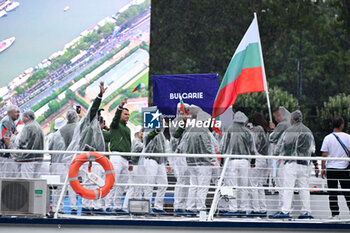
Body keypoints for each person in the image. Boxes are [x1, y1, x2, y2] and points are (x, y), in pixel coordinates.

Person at [61, 81, 107, 215]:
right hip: (86, 157)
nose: (99, 115)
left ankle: (93, 206)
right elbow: (92, 111)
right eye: (97, 112)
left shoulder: (95, 125)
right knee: (89, 181)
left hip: (93, 158)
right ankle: (87, 207)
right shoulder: (87, 122)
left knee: (95, 181)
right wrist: (100, 96)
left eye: (100, 113)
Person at [270, 110, 315, 219]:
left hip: (291, 164)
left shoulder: (289, 131)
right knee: (304, 188)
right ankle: (306, 212)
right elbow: (312, 149)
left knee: (288, 188)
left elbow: (279, 147)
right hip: (304, 164)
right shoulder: (308, 131)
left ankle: (286, 211)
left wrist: (277, 154)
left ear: (293, 119)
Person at [177, 105, 218, 216]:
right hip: (203, 163)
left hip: (190, 163)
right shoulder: (203, 130)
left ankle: (190, 207)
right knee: (202, 187)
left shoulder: (189, 130)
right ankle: (201, 209)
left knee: (193, 186)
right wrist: (212, 160)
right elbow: (207, 146)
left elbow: (181, 147)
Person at [219, 111, 256, 217]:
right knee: (243, 186)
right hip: (245, 161)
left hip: (231, 161)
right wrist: (253, 162)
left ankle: (232, 208)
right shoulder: (248, 131)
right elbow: (252, 149)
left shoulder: (229, 130)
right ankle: (243, 208)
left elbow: (223, 146)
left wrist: (222, 161)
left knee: (231, 186)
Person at [108, 97, 136, 214]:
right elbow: (115, 118)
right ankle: (108, 205)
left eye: (128, 115)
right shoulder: (115, 125)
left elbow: (129, 144)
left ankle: (117, 206)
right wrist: (120, 106)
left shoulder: (128, 129)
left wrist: (130, 160)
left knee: (122, 185)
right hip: (116, 156)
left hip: (125, 159)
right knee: (113, 182)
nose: (127, 116)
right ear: (120, 115)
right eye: (125, 114)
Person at [321, 117, 350, 219]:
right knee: (347, 192)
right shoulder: (348, 137)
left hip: (331, 168)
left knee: (332, 193)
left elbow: (324, 155)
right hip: (344, 168)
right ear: (341, 125)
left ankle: (335, 214)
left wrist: (322, 168)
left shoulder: (327, 138)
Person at [143, 117, 171, 215]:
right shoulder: (150, 130)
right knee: (149, 185)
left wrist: (167, 163)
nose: (162, 122)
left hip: (160, 162)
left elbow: (165, 149)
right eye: (160, 120)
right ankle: (147, 207)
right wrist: (156, 131)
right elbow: (147, 137)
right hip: (151, 160)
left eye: (163, 121)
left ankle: (158, 207)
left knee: (164, 184)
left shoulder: (162, 135)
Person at [6, 110, 44, 178]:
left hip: (28, 158)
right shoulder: (37, 125)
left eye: (23, 117)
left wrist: (12, 137)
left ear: (27, 117)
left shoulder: (28, 127)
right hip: (38, 157)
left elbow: (21, 141)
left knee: (27, 180)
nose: (22, 119)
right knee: (35, 180)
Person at [169, 102, 190, 216]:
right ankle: (178, 206)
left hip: (189, 155)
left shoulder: (191, 122)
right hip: (180, 155)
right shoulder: (175, 123)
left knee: (188, 181)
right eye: (185, 109)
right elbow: (174, 141)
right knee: (181, 180)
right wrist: (183, 125)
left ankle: (185, 206)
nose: (187, 112)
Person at [269, 107, 291, 208]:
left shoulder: (282, 124)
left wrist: (273, 129)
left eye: (276, 116)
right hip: (288, 157)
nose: (276, 119)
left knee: (280, 183)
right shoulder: (290, 124)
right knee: (285, 183)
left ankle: (283, 208)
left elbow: (272, 138)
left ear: (279, 115)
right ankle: (285, 207)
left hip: (280, 158)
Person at [248, 112, 270, 217]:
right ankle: (262, 208)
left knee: (253, 184)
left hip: (257, 158)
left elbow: (253, 144)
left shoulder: (257, 129)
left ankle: (255, 208)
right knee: (260, 185)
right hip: (264, 159)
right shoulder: (265, 130)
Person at [47, 117, 69, 213]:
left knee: (54, 187)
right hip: (63, 165)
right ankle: (59, 208)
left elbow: (49, 149)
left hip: (53, 164)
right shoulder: (65, 135)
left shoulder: (52, 136)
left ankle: (53, 206)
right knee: (62, 188)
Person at [0, 104, 20, 178]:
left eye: (18, 112)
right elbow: (6, 138)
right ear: (10, 112)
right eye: (16, 112)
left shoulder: (10, 121)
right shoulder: (7, 122)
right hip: (4, 155)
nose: (18, 114)